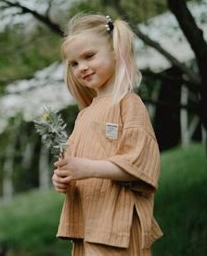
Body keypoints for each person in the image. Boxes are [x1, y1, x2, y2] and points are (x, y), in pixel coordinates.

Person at [52, 14, 163, 255]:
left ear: (115, 51)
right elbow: (75, 164)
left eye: (89, 56)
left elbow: (141, 166)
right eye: (74, 63)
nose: (82, 67)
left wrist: (88, 168)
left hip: (117, 226)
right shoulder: (84, 115)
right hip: (88, 223)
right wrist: (62, 178)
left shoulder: (128, 104)